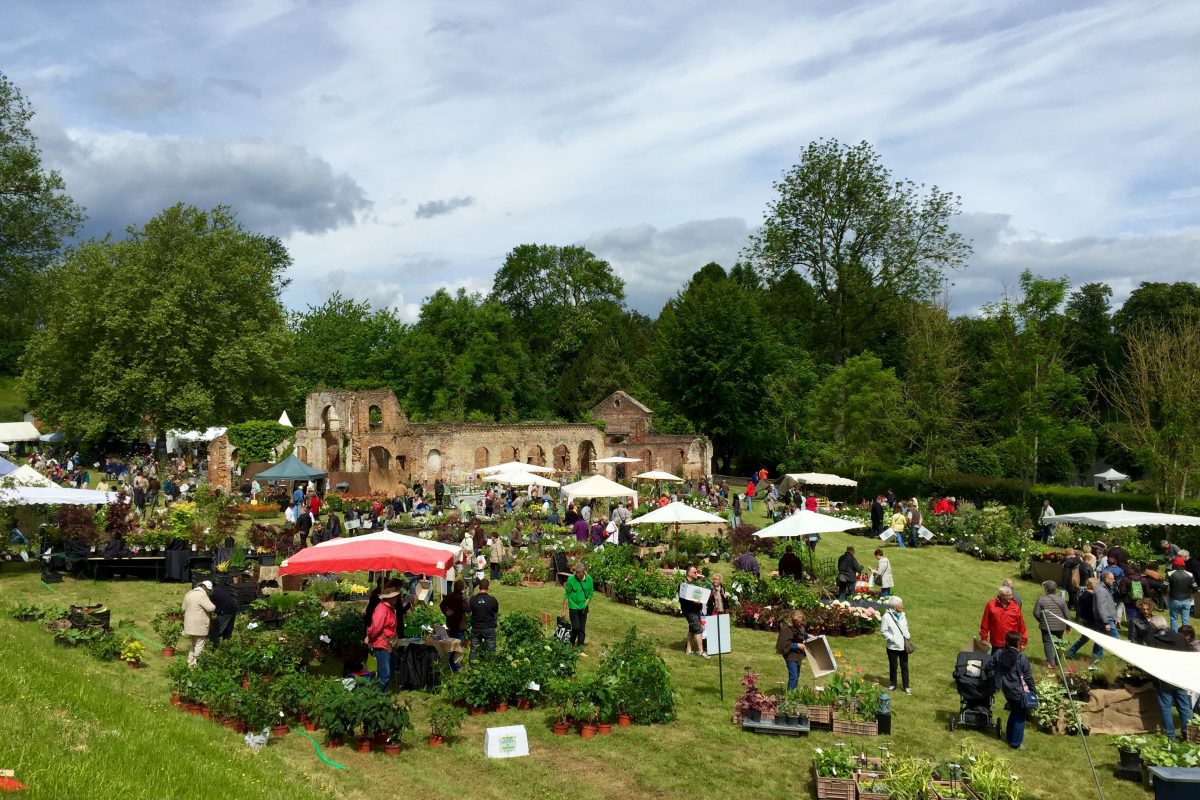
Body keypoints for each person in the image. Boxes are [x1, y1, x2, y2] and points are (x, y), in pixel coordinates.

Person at [1148, 615, 1193, 741]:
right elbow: (1189, 656)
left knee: (1166, 708)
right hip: (1179, 677)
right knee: (1184, 707)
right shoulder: (1180, 637)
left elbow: (1149, 661)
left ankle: (1170, 736)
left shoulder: (1152, 640)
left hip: (1163, 679)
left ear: (1153, 627)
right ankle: (1188, 734)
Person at [995, 630, 1036, 749]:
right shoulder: (1021, 658)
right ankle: (1015, 743)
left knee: (1014, 712)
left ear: (1006, 641)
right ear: (1018, 642)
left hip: (1007, 689)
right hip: (1019, 692)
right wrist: (1033, 691)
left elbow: (992, 665)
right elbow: (1028, 677)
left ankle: (1009, 737)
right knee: (1020, 717)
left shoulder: (999, 653)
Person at [366, 589, 399, 690]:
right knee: (384, 675)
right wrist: (370, 637)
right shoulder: (382, 609)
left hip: (389, 644)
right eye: (395, 596)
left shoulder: (389, 608)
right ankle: (376, 697)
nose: (397, 598)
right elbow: (376, 628)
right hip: (382, 644)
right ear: (388, 598)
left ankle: (383, 697)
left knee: (389, 671)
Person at [1066, 577, 1105, 660]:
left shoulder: (1084, 593)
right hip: (1092, 619)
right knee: (1097, 637)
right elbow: (1091, 608)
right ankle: (1097, 655)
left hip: (1088, 619)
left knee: (1087, 637)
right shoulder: (1090, 595)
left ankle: (1072, 651)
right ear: (1092, 585)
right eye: (1097, 584)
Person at [1032, 581, 1068, 667]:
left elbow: (1035, 613)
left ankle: (1051, 663)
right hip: (1060, 625)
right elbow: (1067, 614)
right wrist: (1068, 626)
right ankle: (1057, 661)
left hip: (1046, 626)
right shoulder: (1061, 600)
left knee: (1047, 643)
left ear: (1046, 589)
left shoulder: (1041, 599)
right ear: (1055, 589)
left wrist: (1042, 620)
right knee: (1059, 643)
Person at [880, 596, 912, 694]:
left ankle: (906, 686)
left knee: (905, 666)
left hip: (903, 646)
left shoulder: (903, 614)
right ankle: (893, 684)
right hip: (892, 647)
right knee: (893, 666)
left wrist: (907, 635)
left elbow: (905, 627)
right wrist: (892, 639)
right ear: (894, 607)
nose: (902, 606)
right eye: (900, 605)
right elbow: (883, 631)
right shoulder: (886, 617)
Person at [979, 585, 1027, 650]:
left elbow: (1021, 626)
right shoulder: (991, 605)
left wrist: (1023, 643)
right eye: (1008, 595)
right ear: (1001, 596)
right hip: (996, 642)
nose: (1011, 597)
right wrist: (983, 638)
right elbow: (985, 623)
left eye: (1011, 595)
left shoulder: (1015, 607)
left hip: (1012, 644)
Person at [182, 581, 216, 667]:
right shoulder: (202, 595)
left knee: (193, 644)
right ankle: (197, 665)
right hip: (199, 625)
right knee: (199, 645)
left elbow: (183, 608)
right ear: (207, 589)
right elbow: (211, 608)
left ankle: (190, 663)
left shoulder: (189, 593)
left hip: (189, 624)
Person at [563, 562, 594, 648]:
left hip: (583, 607)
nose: (577, 574)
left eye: (579, 572)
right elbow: (567, 595)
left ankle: (580, 647)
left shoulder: (589, 579)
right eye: (576, 572)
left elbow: (590, 594)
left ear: (583, 571)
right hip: (573, 606)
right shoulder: (571, 580)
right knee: (576, 627)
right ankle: (571, 643)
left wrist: (585, 604)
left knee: (581, 629)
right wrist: (564, 610)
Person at [775, 610, 808, 690]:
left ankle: (794, 693)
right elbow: (783, 645)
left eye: (801, 622)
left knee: (797, 675)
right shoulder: (786, 629)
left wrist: (809, 636)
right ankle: (790, 696)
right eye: (798, 622)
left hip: (798, 655)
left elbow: (803, 635)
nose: (800, 624)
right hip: (790, 655)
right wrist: (797, 645)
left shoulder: (799, 627)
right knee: (793, 676)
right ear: (793, 620)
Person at [679, 565, 707, 657]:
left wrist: (702, 578)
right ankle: (701, 651)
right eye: (695, 572)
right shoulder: (683, 584)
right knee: (699, 630)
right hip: (689, 610)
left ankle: (688, 650)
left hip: (696, 609)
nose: (697, 574)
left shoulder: (695, 582)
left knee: (692, 630)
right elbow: (682, 597)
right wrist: (693, 601)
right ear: (689, 573)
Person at [468, 579, 499, 660]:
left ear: (479, 587)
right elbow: (495, 612)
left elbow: (470, 611)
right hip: (489, 627)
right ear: (488, 587)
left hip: (476, 627)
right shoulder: (493, 600)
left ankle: (472, 666)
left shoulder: (473, 599)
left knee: (474, 649)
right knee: (491, 649)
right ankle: (490, 667)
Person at [1166, 556, 1197, 631]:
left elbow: (1164, 586)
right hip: (1187, 600)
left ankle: (1175, 636)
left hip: (1174, 599)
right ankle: (1185, 637)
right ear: (1183, 565)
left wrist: (1165, 593)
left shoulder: (1169, 574)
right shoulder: (1190, 574)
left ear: (1175, 565)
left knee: (1174, 619)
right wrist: (1191, 593)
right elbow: (1195, 588)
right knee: (1185, 621)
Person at [208, 583, 237, 647]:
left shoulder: (211, 594)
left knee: (215, 630)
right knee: (227, 630)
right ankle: (227, 646)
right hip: (232, 606)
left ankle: (214, 647)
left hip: (227, 610)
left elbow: (209, 608)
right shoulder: (216, 589)